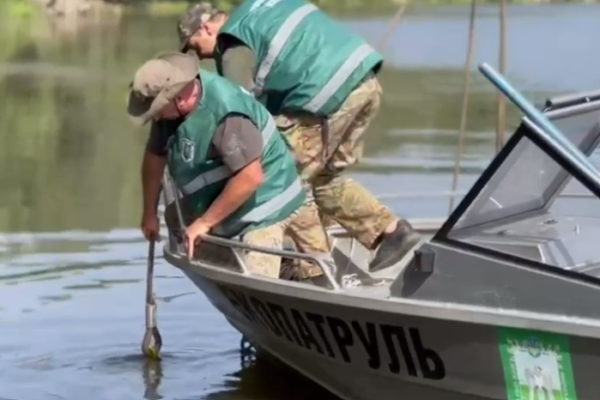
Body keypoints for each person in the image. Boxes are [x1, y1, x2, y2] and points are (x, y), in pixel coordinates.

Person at [175, 0, 421, 274]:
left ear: (206, 28)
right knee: (324, 179)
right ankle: (391, 232)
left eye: (197, 47)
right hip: (364, 80)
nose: (204, 57)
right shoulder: (260, 7)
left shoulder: (231, 44)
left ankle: (312, 274)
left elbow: (243, 116)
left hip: (325, 94)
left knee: (283, 177)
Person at [130, 51, 330, 279]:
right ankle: (266, 265)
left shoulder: (225, 114)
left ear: (180, 97)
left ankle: (284, 271)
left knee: (258, 284)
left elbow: (250, 177)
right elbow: (154, 157)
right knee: (178, 222)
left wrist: (205, 223)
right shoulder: (171, 110)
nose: (155, 117)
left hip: (268, 201)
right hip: (231, 193)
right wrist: (149, 212)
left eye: (156, 110)